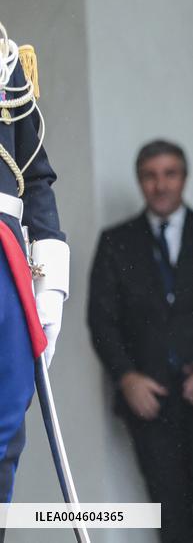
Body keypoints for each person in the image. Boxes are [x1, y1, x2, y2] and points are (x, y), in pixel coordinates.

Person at [87, 139, 193, 543]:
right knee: (169, 516)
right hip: (150, 402)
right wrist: (127, 379)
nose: (160, 185)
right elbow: (100, 320)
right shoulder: (115, 242)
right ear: (140, 182)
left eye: (169, 174)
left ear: (184, 178)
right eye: (150, 176)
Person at [0, 28, 70, 526]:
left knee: (4, 433)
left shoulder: (5, 58)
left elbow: (34, 174)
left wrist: (48, 285)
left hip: (5, 259)